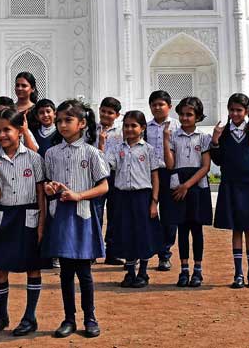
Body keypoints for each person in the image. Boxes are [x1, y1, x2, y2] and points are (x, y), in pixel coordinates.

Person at [42, 99, 109, 339]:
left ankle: (90, 317)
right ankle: (69, 318)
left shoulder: (91, 153)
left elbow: (103, 186)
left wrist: (79, 195)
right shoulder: (51, 153)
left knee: (84, 271)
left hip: (82, 216)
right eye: (59, 121)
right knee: (65, 272)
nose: (62, 125)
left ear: (81, 123)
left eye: (68, 120)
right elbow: (48, 183)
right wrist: (51, 189)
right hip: (60, 216)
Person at [0, 109, 47, 337]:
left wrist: (41, 223)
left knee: (32, 267)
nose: (2, 135)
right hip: (4, 216)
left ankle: (30, 317)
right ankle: (2, 315)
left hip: (29, 215)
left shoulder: (34, 158)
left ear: (19, 131)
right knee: (0, 267)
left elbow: (40, 193)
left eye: (7, 130)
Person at [210, 92, 249, 289]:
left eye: (239, 110)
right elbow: (218, 160)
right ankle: (238, 274)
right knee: (236, 229)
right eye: (232, 110)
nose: (235, 114)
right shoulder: (224, 133)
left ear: (247, 111)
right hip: (231, 184)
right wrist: (215, 140)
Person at [107, 110, 163, 288]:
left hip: (142, 197)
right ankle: (130, 272)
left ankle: (143, 273)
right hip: (123, 197)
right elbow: (107, 166)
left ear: (143, 128)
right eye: (126, 126)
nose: (129, 129)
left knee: (143, 234)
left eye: (134, 125)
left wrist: (154, 202)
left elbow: (155, 177)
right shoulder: (117, 149)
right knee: (126, 234)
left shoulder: (148, 150)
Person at [162, 96, 213, 288]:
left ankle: (197, 270)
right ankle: (184, 270)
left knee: (196, 229)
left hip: (196, 185)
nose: (185, 118)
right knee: (182, 229)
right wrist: (165, 140)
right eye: (182, 114)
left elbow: (205, 166)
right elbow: (170, 165)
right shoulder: (174, 136)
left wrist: (187, 185)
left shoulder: (204, 137)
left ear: (197, 116)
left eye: (189, 114)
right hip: (178, 184)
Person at [145, 89, 178, 271]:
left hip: (169, 173)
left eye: (161, 104)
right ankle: (142, 252)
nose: (157, 108)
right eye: (154, 105)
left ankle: (165, 254)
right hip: (148, 174)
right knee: (147, 213)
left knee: (169, 215)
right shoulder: (145, 127)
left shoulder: (177, 126)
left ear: (169, 106)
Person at [96, 96, 123, 265]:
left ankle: (112, 252)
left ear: (117, 115)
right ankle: (93, 252)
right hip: (96, 177)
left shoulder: (121, 132)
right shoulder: (90, 129)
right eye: (103, 111)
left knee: (114, 214)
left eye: (110, 112)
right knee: (95, 214)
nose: (106, 115)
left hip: (115, 175)